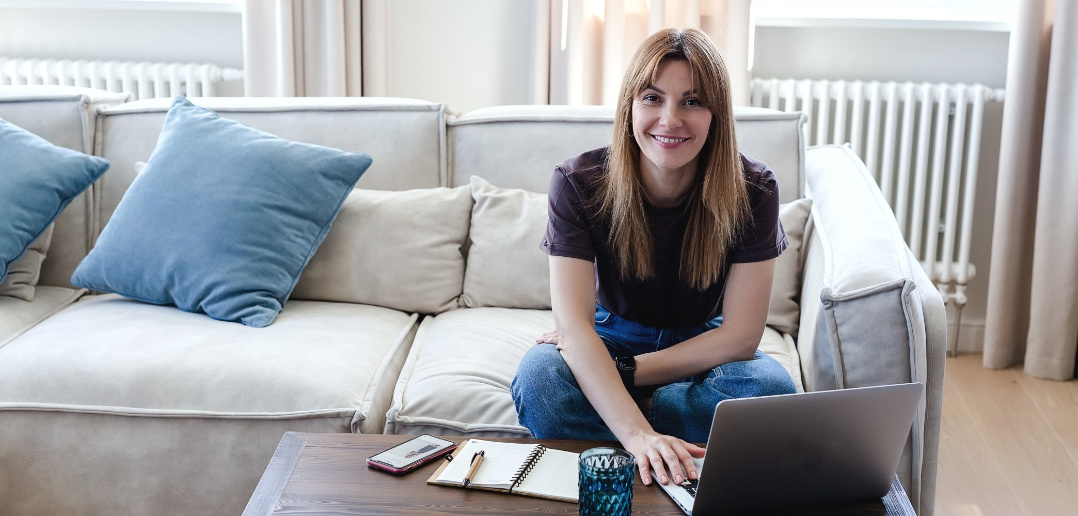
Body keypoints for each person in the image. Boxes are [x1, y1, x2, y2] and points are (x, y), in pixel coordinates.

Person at [510, 28, 798, 489]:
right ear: (630, 106)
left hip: (702, 345)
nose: (670, 119)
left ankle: (626, 431)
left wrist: (625, 377)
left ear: (716, 115)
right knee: (541, 377)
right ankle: (656, 450)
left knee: (771, 393)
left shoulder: (754, 189)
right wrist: (637, 433)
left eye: (692, 101)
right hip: (613, 334)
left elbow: (741, 337)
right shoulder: (577, 182)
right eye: (652, 97)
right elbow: (575, 328)